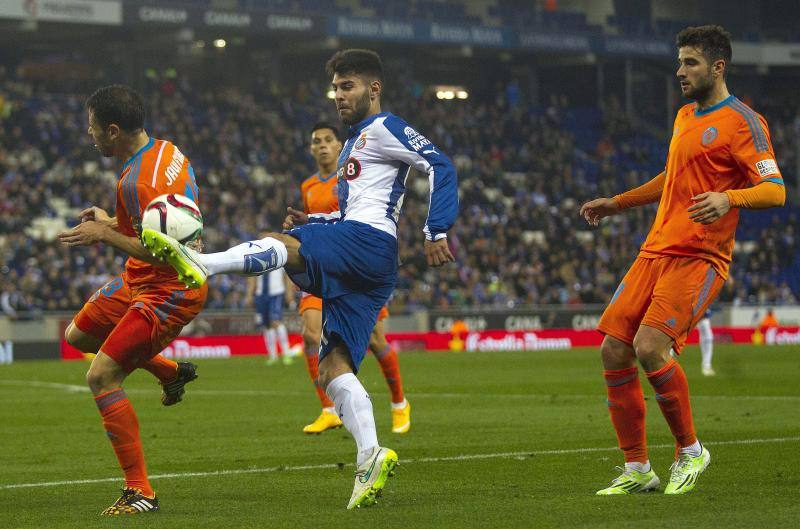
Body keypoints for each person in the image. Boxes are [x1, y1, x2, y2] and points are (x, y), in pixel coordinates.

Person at [141, 49, 458, 509]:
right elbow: (366, 205)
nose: (339, 96)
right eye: (335, 89)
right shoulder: (354, 144)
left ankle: (200, 264)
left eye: (347, 86)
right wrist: (318, 220)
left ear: (373, 88)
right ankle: (370, 456)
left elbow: (439, 164)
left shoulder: (386, 127)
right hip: (366, 259)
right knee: (333, 368)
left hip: (368, 244)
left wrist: (437, 228)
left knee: (282, 244)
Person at [580, 25, 785, 495]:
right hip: (655, 249)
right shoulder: (684, 116)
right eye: (679, 62)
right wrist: (619, 201)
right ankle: (637, 469)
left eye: (690, 62)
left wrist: (729, 199)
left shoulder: (744, 122)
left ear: (718, 66)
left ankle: (691, 451)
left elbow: (775, 190)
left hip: (699, 256)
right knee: (613, 347)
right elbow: (672, 175)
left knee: (651, 347)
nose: (679, 71)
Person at [58, 85, 208, 515]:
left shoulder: (139, 180)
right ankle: (171, 372)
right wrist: (110, 220)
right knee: (79, 335)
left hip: (170, 289)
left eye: (92, 129)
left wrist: (103, 233)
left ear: (113, 130)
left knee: (100, 377)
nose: (89, 136)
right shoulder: (164, 151)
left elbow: (168, 249)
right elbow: (160, 227)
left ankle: (140, 491)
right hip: (139, 279)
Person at [298, 122, 410, 435]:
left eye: (327, 140)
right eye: (316, 141)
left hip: (354, 267)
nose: (321, 145)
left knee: (375, 341)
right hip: (321, 268)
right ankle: (328, 409)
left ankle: (399, 403)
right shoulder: (308, 187)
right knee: (309, 336)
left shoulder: (353, 178)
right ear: (311, 149)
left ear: (339, 146)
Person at [247, 265, 294, 365]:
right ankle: (273, 356)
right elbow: (252, 277)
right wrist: (250, 294)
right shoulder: (257, 255)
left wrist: (289, 293)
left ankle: (286, 353)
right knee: (267, 325)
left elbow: (287, 275)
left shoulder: (278, 254)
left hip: (276, 292)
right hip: (261, 294)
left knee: (276, 322)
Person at [697, 309, 715, 376]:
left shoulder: (701, 321)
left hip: (704, 339)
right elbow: (708, 313)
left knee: (706, 353)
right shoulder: (704, 321)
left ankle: (706, 367)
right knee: (707, 353)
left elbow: (709, 313)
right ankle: (706, 368)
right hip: (707, 340)